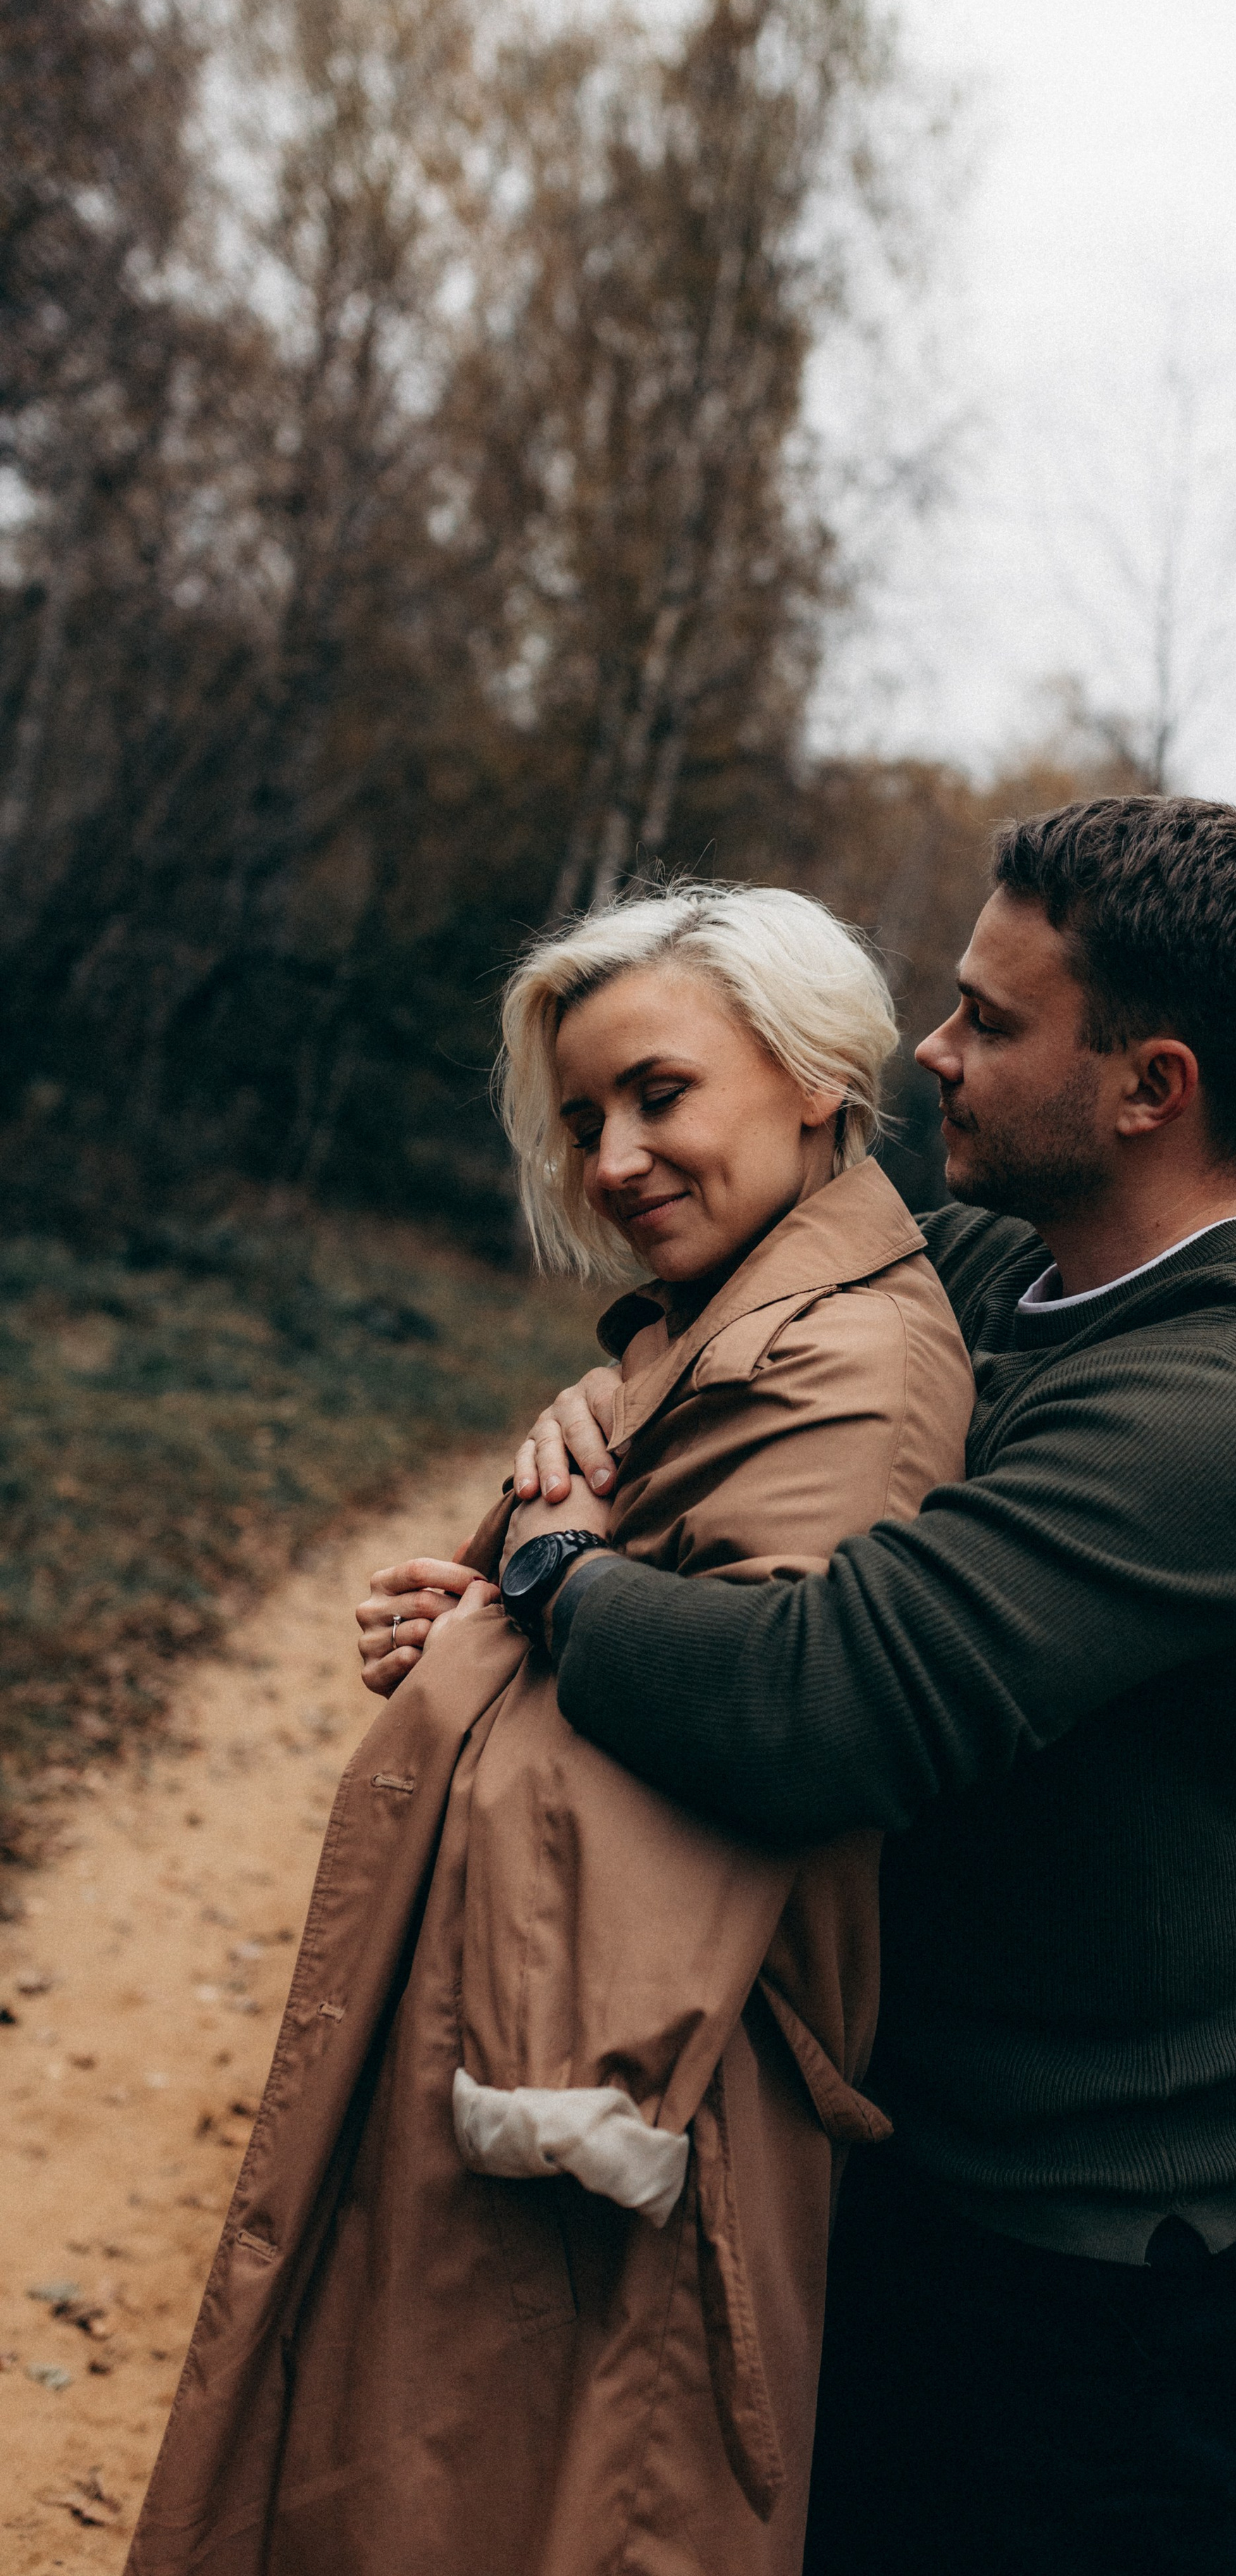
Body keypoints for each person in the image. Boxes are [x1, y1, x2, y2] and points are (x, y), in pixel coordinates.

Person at [497, 795, 1236, 2576]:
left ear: (1150, 1086)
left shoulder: (1230, 1421)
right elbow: (768, 1293)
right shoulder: (1016, 1269)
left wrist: (552, 1576)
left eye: (990, 1018)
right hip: (928, 2151)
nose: (932, 1049)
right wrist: (616, 1397)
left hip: (1095, 2253)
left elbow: (821, 1702)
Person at [124, 885, 972, 2576]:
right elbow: (596, 1638)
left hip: (652, 2107)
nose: (610, 1160)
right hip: (544, 2045)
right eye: (586, 1120)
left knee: (571, 2518)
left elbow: (758, 1744)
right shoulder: (709, 1330)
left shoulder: (855, 1367)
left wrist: (509, 1611)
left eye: (659, 1095)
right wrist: (477, 1620)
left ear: (813, 1077)